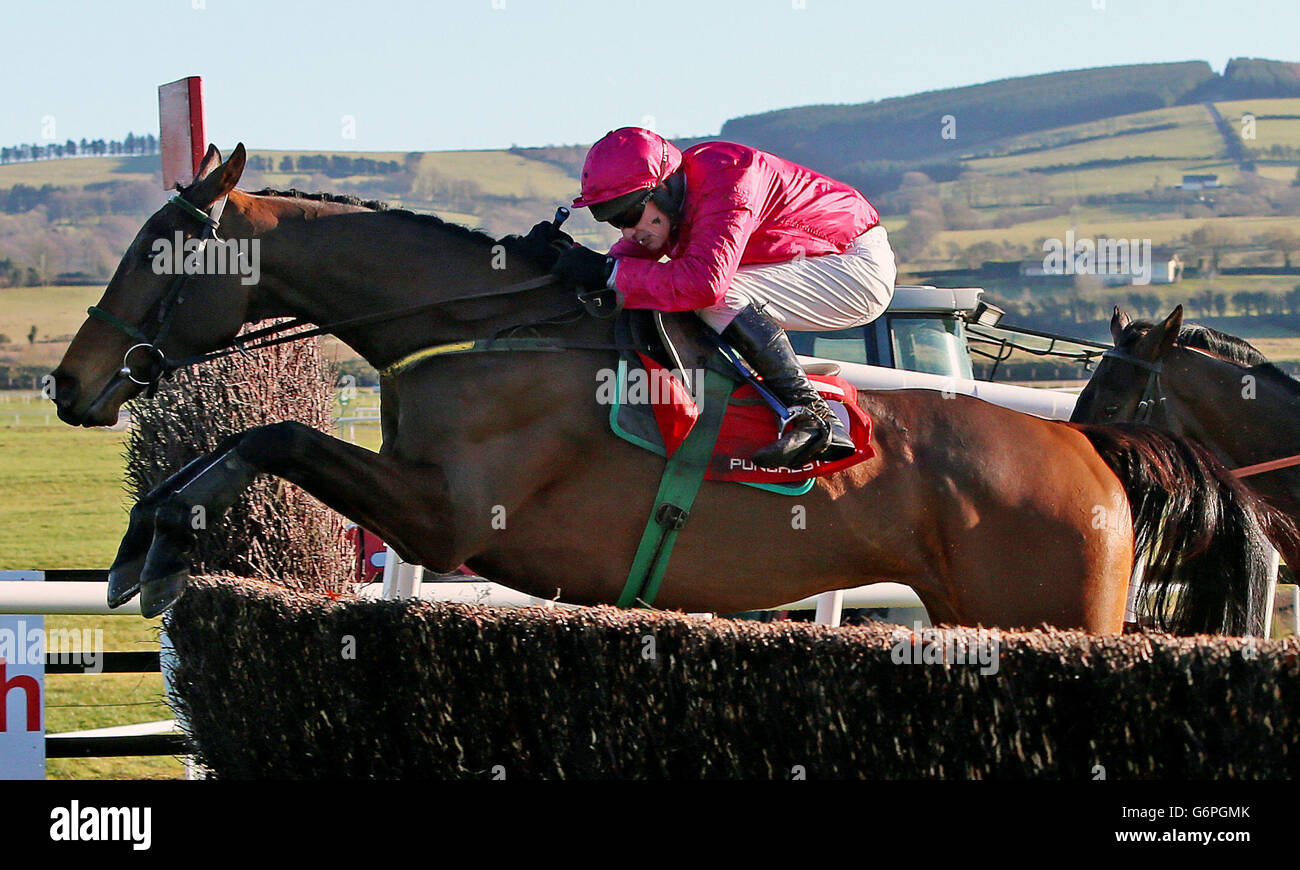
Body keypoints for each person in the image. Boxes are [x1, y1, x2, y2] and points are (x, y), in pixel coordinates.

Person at [550, 126, 896, 469]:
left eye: (627, 214)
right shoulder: (675, 198)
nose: (627, 230)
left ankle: (813, 416)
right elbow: (619, 270)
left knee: (711, 295)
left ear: (664, 189)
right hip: (825, 262)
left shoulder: (731, 177)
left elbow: (703, 285)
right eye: (612, 221)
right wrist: (554, 260)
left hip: (855, 266)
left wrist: (605, 271)